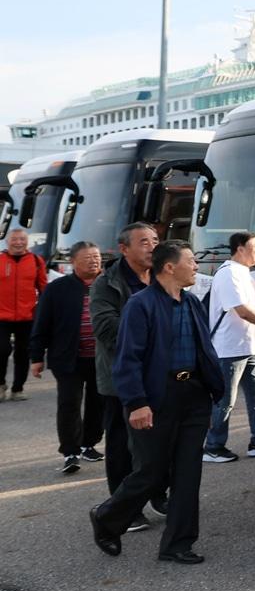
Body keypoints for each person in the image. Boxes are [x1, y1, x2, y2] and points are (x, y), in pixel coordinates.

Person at [89, 240, 224, 565]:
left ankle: (177, 544)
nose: (195, 267)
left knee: (188, 473)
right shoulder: (141, 305)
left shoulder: (192, 302)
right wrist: (136, 403)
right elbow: (128, 359)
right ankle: (107, 518)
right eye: (190, 261)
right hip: (155, 396)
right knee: (151, 472)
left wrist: (210, 395)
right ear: (169, 267)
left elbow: (204, 349)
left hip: (193, 396)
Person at [91, 223, 164, 531]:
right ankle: (124, 508)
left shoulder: (164, 275)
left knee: (160, 440)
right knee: (122, 445)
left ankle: (159, 494)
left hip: (159, 377)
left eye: (155, 241)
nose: (152, 247)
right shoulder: (107, 283)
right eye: (144, 242)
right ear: (124, 249)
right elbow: (107, 330)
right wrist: (152, 329)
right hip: (121, 380)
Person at [29, 241, 105, 473]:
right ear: (73, 262)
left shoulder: (109, 285)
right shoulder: (58, 288)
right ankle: (70, 451)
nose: (93, 261)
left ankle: (88, 444)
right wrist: (36, 357)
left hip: (102, 358)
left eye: (96, 257)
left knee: (98, 403)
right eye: (87, 258)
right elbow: (42, 323)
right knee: (69, 403)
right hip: (68, 358)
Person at [203, 232, 255, 463]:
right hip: (229, 349)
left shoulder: (245, 273)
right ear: (240, 248)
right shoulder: (228, 274)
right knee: (225, 399)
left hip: (250, 346)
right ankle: (213, 446)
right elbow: (242, 310)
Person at [1, 228, 47, 401]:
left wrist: (44, 311)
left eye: (22, 239)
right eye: (15, 239)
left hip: (28, 316)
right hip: (1, 316)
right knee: (1, 349)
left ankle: (17, 389)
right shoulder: (0, 259)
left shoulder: (36, 261)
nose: (19, 242)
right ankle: (0, 384)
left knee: (23, 353)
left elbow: (43, 288)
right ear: (7, 242)